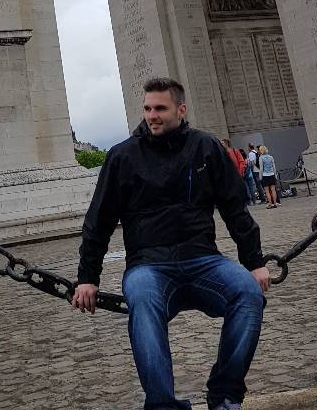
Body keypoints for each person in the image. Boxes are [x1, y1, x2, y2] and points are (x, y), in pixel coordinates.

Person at [72, 77, 269, 410]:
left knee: (248, 294)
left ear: (180, 109)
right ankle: (162, 405)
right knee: (144, 304)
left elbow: (235, 209)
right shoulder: (122, 157)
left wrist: (254, 262)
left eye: (160, 108)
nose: (152, 115)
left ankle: (224, 393)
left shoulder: (207, 147)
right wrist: (87, 277)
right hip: (149, 266)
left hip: (204, 259)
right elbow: (98, 222)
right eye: (147, 108)